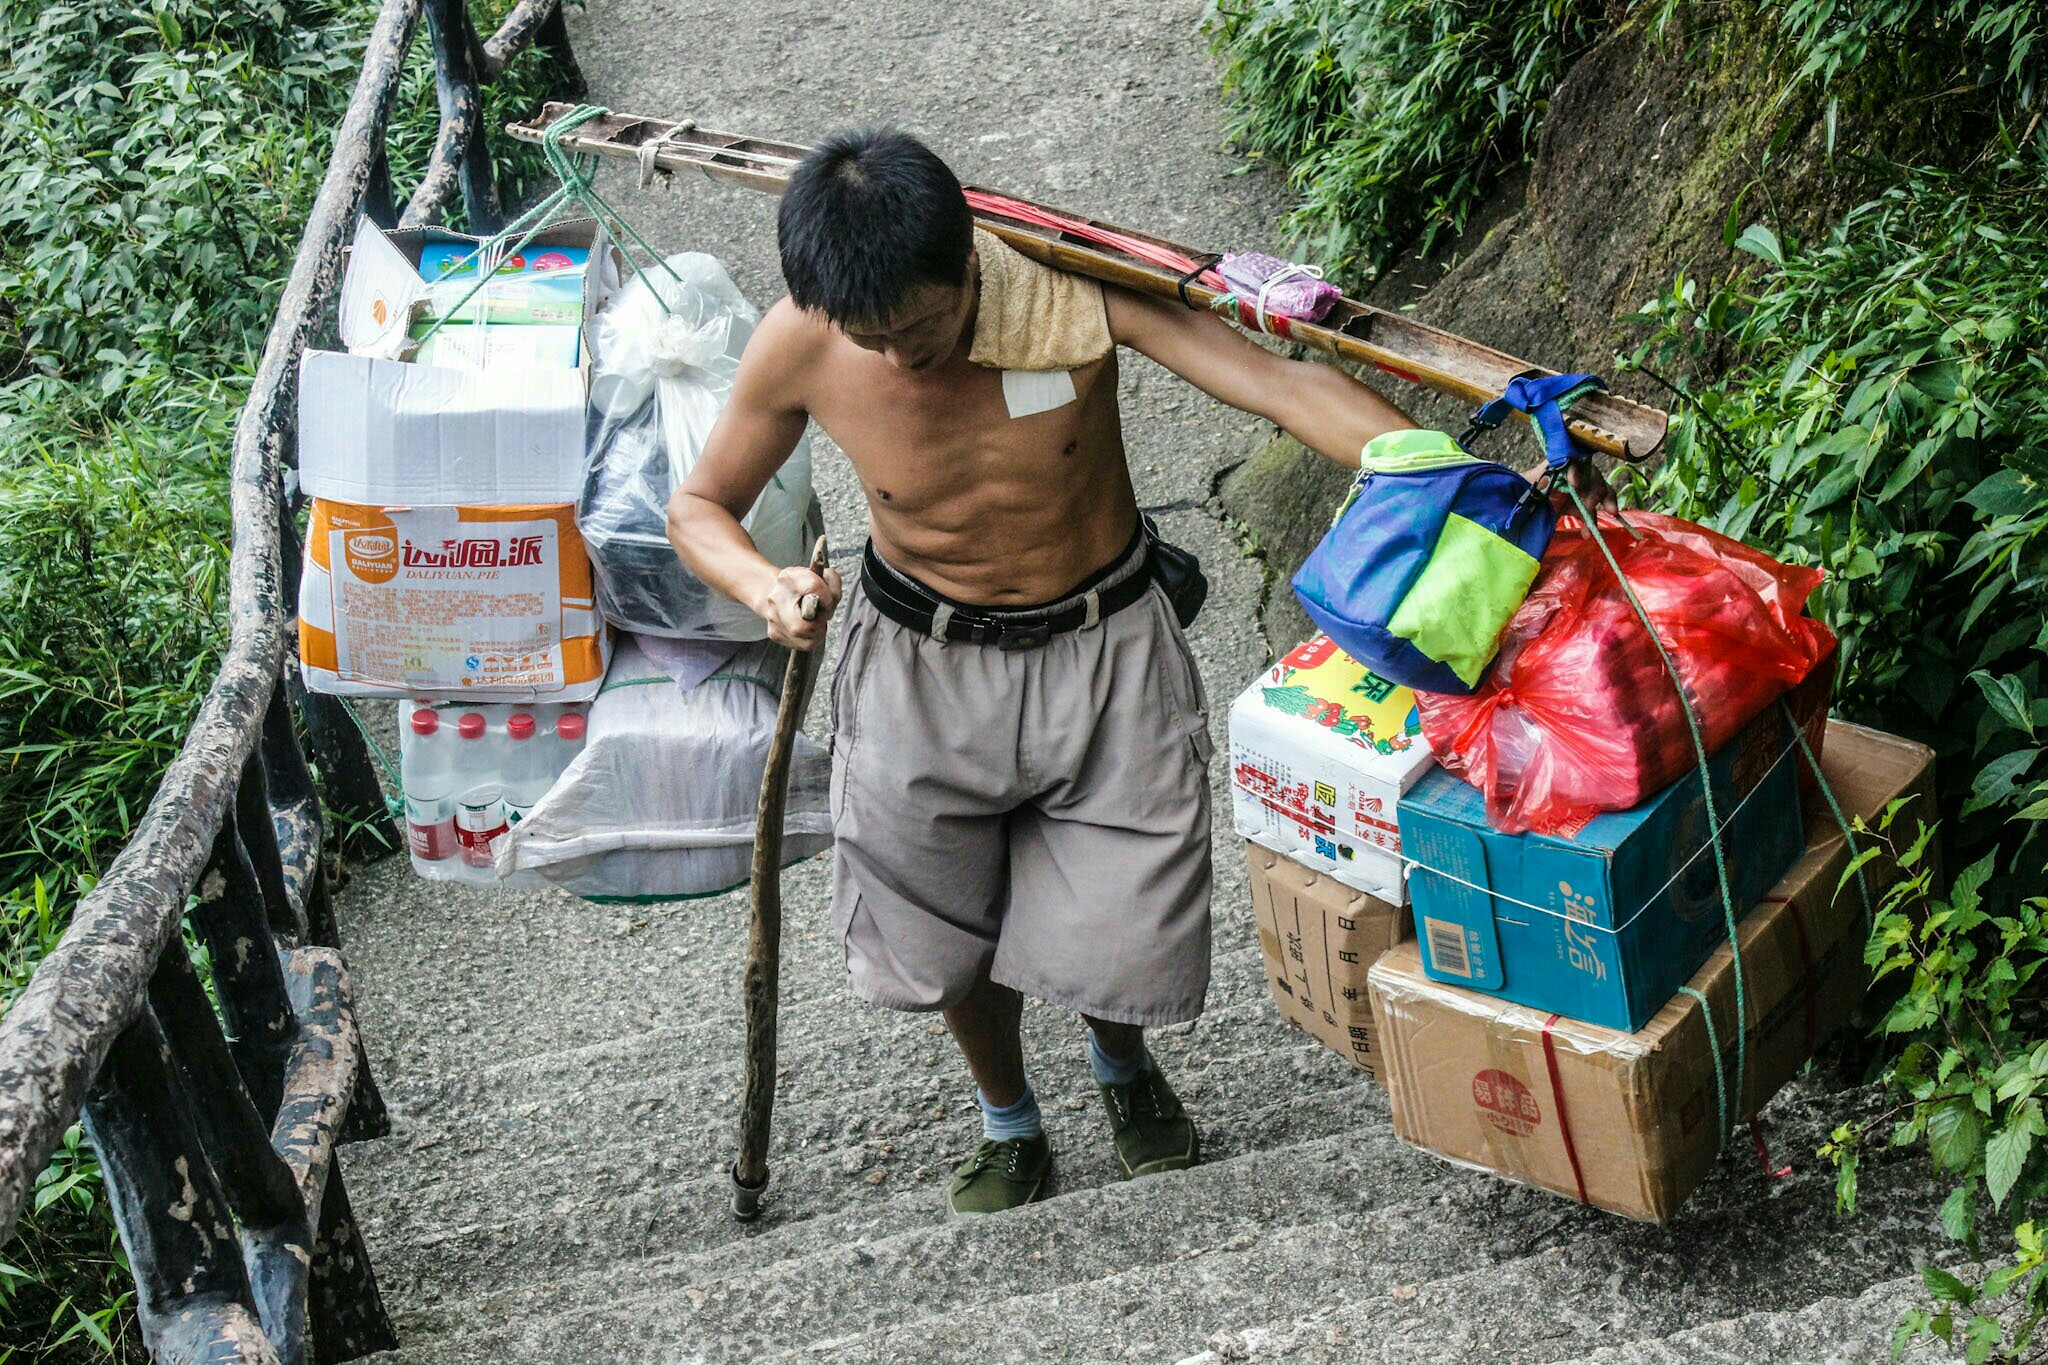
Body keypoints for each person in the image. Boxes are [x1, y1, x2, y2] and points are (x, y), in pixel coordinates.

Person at [669, 128, 1608, 1217]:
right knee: (939, 926)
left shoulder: (1067, 295)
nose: (896, 359)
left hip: (1103, 646)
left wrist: (1431, 474)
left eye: (919, 329)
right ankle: (1006, 1120)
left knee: (1109, 923)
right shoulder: (800, 343)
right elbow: (698, 509)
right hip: (917, 666)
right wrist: (762, 587)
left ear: (969, 259)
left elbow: (1271, 382)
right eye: (868, 336)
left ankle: (1122, 1072)